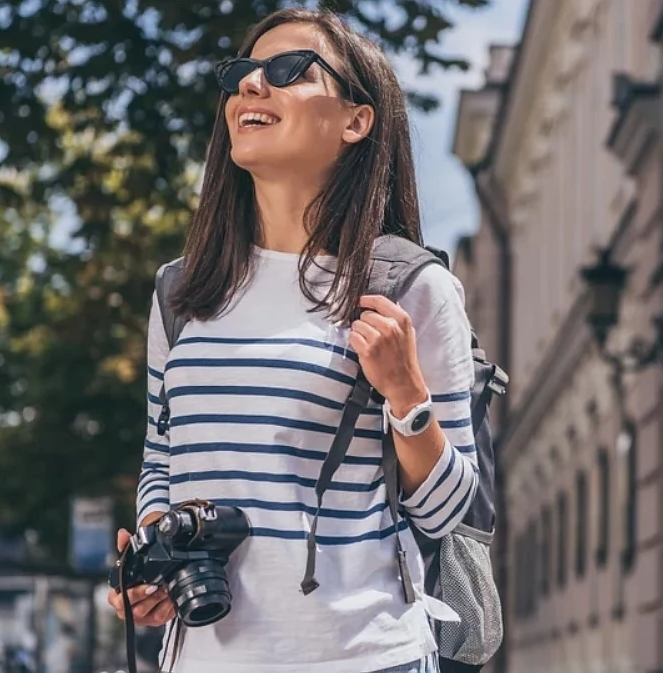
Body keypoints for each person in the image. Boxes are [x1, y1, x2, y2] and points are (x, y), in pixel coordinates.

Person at [106, 8, 479, 673]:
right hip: (198, 658)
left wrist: (405, 395)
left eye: (287, 71)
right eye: (243, 72)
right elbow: (162, 456)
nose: (252, 86)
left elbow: (449, 511)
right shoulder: (180, 291)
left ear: (356, 120)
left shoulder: (409, 287)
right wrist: (154, 561)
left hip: (362, 656)